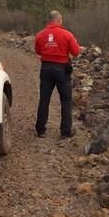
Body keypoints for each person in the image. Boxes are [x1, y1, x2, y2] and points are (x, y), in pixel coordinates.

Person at [34, 10, 81, 138]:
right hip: (62, 69)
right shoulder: (67, 34)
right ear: (59, 20)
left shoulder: (40, 34)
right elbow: (76, 52)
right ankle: (65, 132)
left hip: (46, 68)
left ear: (49, 21)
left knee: (44, 99)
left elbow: (38, 51)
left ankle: (40, 129)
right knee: (66, 100)